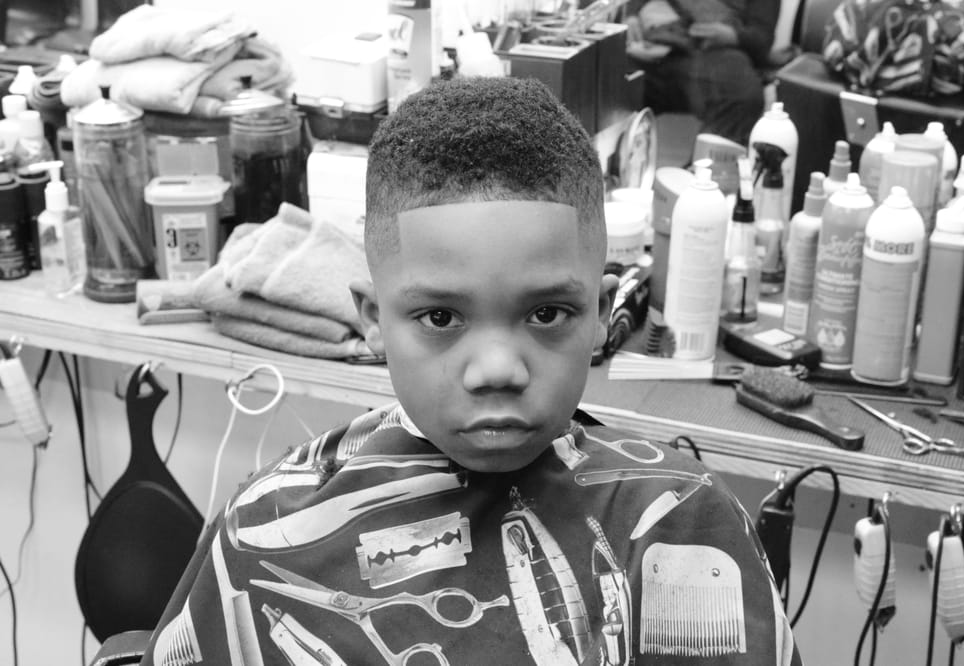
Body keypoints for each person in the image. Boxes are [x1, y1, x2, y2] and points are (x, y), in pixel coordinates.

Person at [138, 76, 800, 665]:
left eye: (546, 314)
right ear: (373, 319)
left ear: (602, 313)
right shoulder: (268, 531)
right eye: (440, 318)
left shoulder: (685, 526)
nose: (497, 369)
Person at [625, 0, 783, 146]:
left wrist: (732, 35)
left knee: (744, 94)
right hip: (653, 45)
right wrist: (630, 16)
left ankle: (707, 162)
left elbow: (762, 38)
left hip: (718, 53)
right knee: (615, 72)